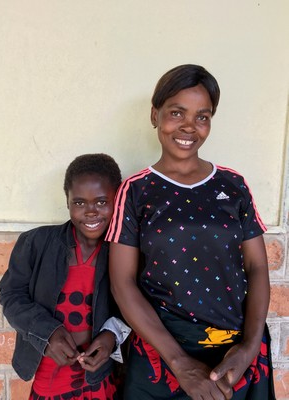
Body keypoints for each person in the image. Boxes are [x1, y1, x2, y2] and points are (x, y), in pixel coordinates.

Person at [105, 64, 275, 400]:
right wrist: (179, 362)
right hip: (163, 353)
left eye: (202, 116)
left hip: (234, 355)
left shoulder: (233, 185)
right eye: (176, 112)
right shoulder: (136, 191)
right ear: (155, 115)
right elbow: (121, 283)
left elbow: (257, 267)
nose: (188, 126)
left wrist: (248, 348)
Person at [0, 153, 131, 400]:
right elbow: (11, 295)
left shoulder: (122, 252)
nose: (91, 212)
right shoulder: (35, 243)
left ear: (117, 200)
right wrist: (46, 332)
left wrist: (111, 335)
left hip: (100, 379)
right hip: (49, 380)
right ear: (67, 201)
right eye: (79, 203)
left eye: (102, 202)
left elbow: (134, 303)